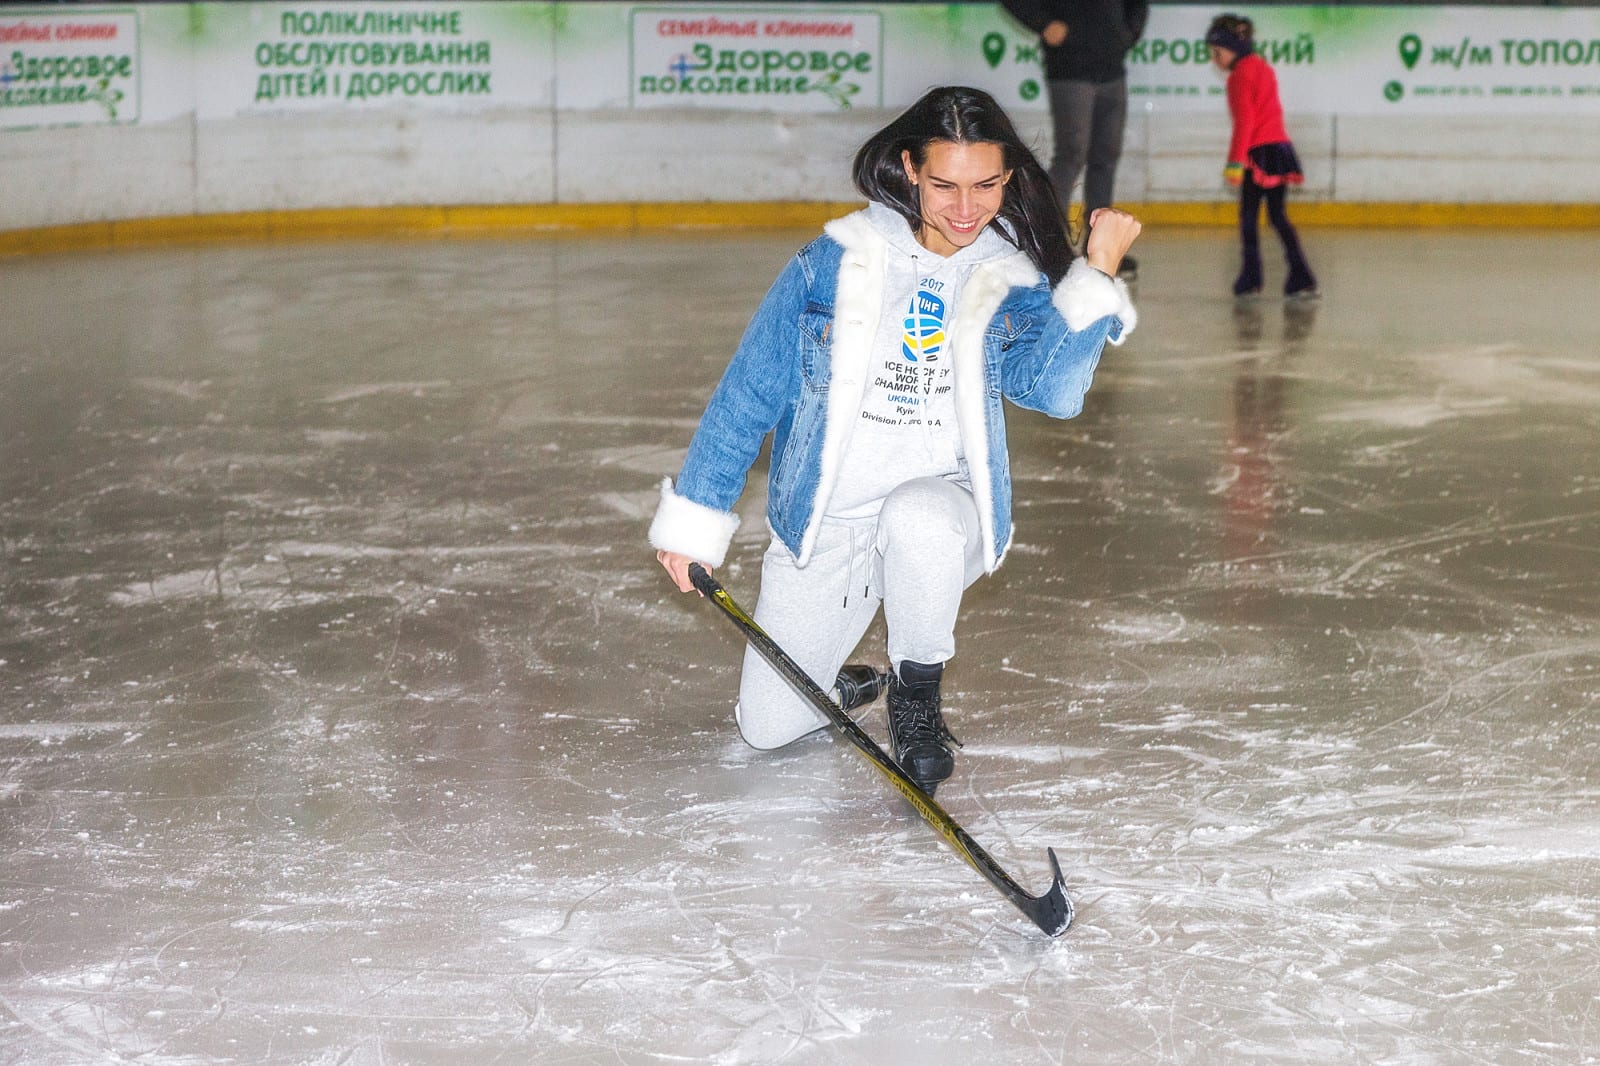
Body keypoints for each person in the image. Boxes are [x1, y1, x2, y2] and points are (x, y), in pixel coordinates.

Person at [649, 87, 1140, 796]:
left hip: (944, 514)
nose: (966, 208)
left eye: (986, 185)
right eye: (944, 184)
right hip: (831, 522)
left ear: (1009, 180)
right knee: (767, 726)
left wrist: (1095, 272)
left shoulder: (1011, 277)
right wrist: (696, 518)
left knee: (918, 518)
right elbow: (750, 391)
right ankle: (841, 682)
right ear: (909, 169)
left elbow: (1053, 393)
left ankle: (916, 696)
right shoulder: (833, 262)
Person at [999, 0, 1148, 279]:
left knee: (1105, 157)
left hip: (1112, 69)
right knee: (1070, 156)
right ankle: (1051, 246)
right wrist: (1043, 23)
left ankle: (1099, 246)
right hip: (1070, 70)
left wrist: (1127, 33)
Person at [1206, 13, 1318, 300]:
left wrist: (1234, 163)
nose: (1215, 59)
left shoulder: (1238, 77)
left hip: (1257, 154)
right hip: (1279, 149)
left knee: (1249, 218)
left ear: (1234, 48)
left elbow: (1246, 121)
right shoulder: (1262, 68)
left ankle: (1251, 279)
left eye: (1217, 52)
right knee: (1278, 216)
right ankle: (1301, 277)